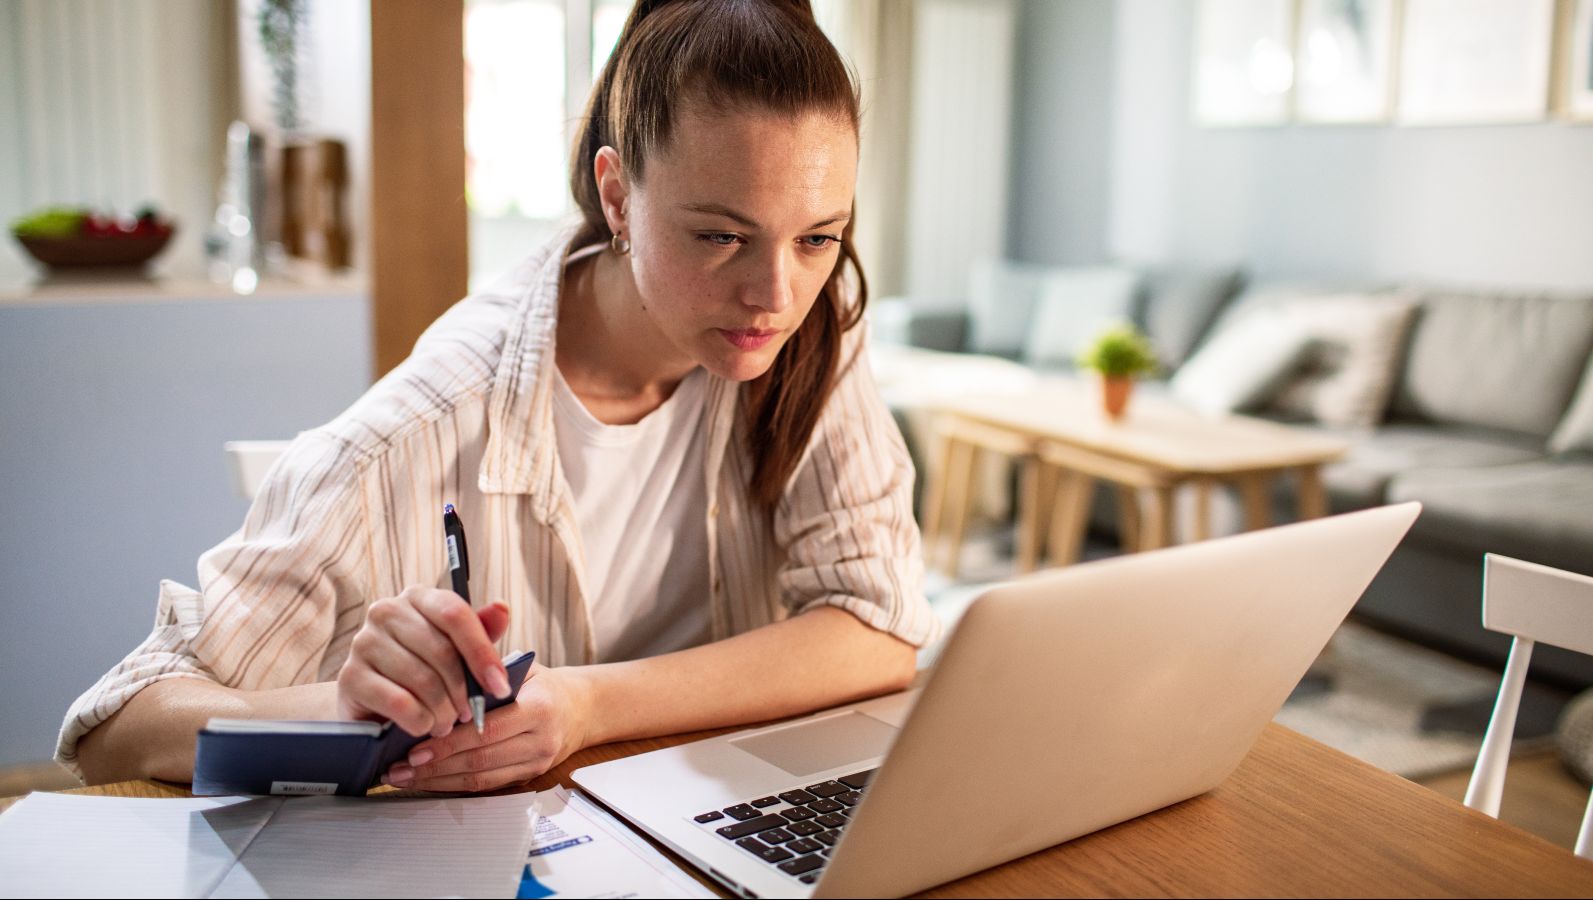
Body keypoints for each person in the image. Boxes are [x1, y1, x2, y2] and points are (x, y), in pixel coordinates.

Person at [64, 0, 939, 792]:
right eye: (720, 236)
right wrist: (338, 706)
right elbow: (117, 729)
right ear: (617, 196)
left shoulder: (810, 332)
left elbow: (880, 626)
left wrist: (588, 705)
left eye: (817, 237)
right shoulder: (419, 427)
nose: (775, 295)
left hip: (700, 819)